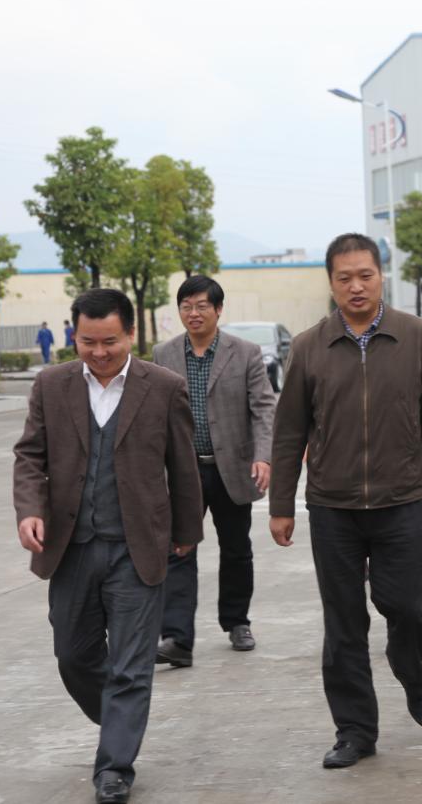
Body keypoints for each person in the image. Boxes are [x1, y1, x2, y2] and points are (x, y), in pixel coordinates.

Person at [269, 233, 422, 770]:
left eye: (365, 275)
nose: (356, 286)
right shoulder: (310, 346)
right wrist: (282, 504)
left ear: (381, 277)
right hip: (333, 506)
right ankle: (355, 730)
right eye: (344, 277)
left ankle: (410, 669)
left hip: (403, 500)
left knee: (407, 607)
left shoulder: (415, 336)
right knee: (344, 623)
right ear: (331, 282)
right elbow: (289, 432)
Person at [13, 288, 202, 804]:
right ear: (74, 335)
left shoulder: (163, 387)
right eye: (88, 342)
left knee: (131, 666)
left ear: (131, 334)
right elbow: (30, 455)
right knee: (72, 656)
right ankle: (122, 719)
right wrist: (29, 509)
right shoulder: (51, 385)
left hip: (136, 548)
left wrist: (187, 533)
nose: (99, 353)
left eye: (110, 342)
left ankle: (115, 766)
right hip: (70, 547)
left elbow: (182, 466)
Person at [151, 275, 276, 668]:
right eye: (186, 306)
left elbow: (263, 408)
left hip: (231, 470)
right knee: (178, 549)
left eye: (202, 305)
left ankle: (237, 622)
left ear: (219, 309)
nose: (194, 313)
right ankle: (177, 638)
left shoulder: (246, 353)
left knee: (236, 549)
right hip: (184, 472)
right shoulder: (163, 354)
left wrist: (263, 456)